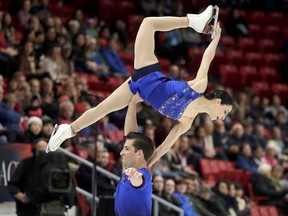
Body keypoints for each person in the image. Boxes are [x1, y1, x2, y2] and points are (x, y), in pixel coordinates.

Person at [47, 5, 233, 167]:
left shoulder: (188, 122)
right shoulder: (199, 87)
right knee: (148, 23)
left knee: (102, 109)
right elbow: (207, 58)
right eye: (225, 112)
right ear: (217, 101)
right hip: (148, 73)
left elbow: (166, 146)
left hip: (137, 89)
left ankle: (67, 130)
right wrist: (215, 38)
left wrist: (149, 164)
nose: (222, 118)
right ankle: (194, 21)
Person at [115, 94, 155, 216]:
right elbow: (130, 135)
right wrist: (132, 104)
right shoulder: (133, 168)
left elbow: (139, 182)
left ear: (139, 154)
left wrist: (135, 177)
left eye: (126, 149)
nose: (121, 153)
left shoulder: (143, 175)